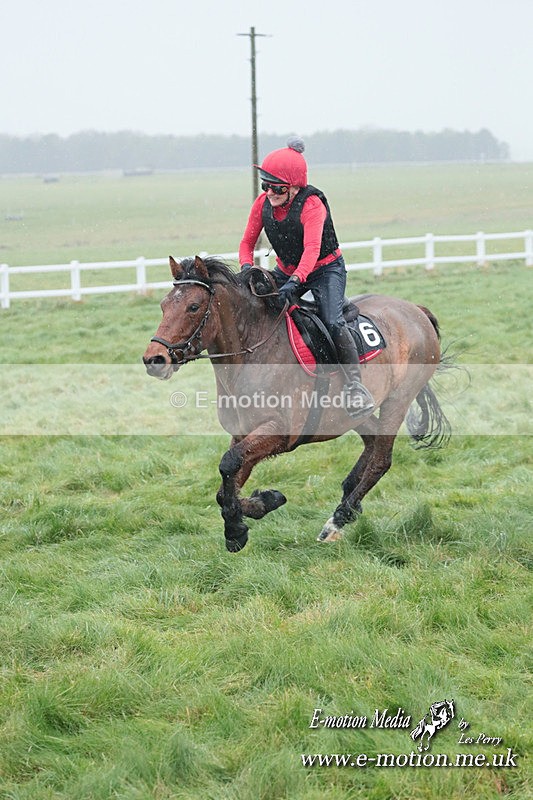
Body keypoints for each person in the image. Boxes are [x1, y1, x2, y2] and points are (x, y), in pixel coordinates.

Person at [239, 137, 375, 418]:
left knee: (333, 322)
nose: (270, 192)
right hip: (288, 270)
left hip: (325, 271)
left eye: (276, 187)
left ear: (294, 186)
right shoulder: (262, 203)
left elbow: (312, 250)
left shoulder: (313, 206)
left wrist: (296, 281)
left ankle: (355, 387)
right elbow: (246, 243)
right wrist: (246, 268)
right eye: (266, 185)